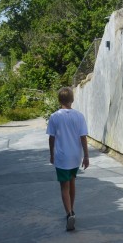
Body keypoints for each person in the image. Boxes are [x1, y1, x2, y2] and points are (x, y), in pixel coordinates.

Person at [46, 87, 89, 231]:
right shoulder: (79, 116)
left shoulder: (54, 117)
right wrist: (86, 156)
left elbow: (52, 138)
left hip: (62, 156)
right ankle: (72, 209)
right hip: (75, 156)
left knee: (64, 186)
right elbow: (83, 138)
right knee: (72, 182)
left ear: (59, 100)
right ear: (72, 99)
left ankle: (69, 213)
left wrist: (51, 154)